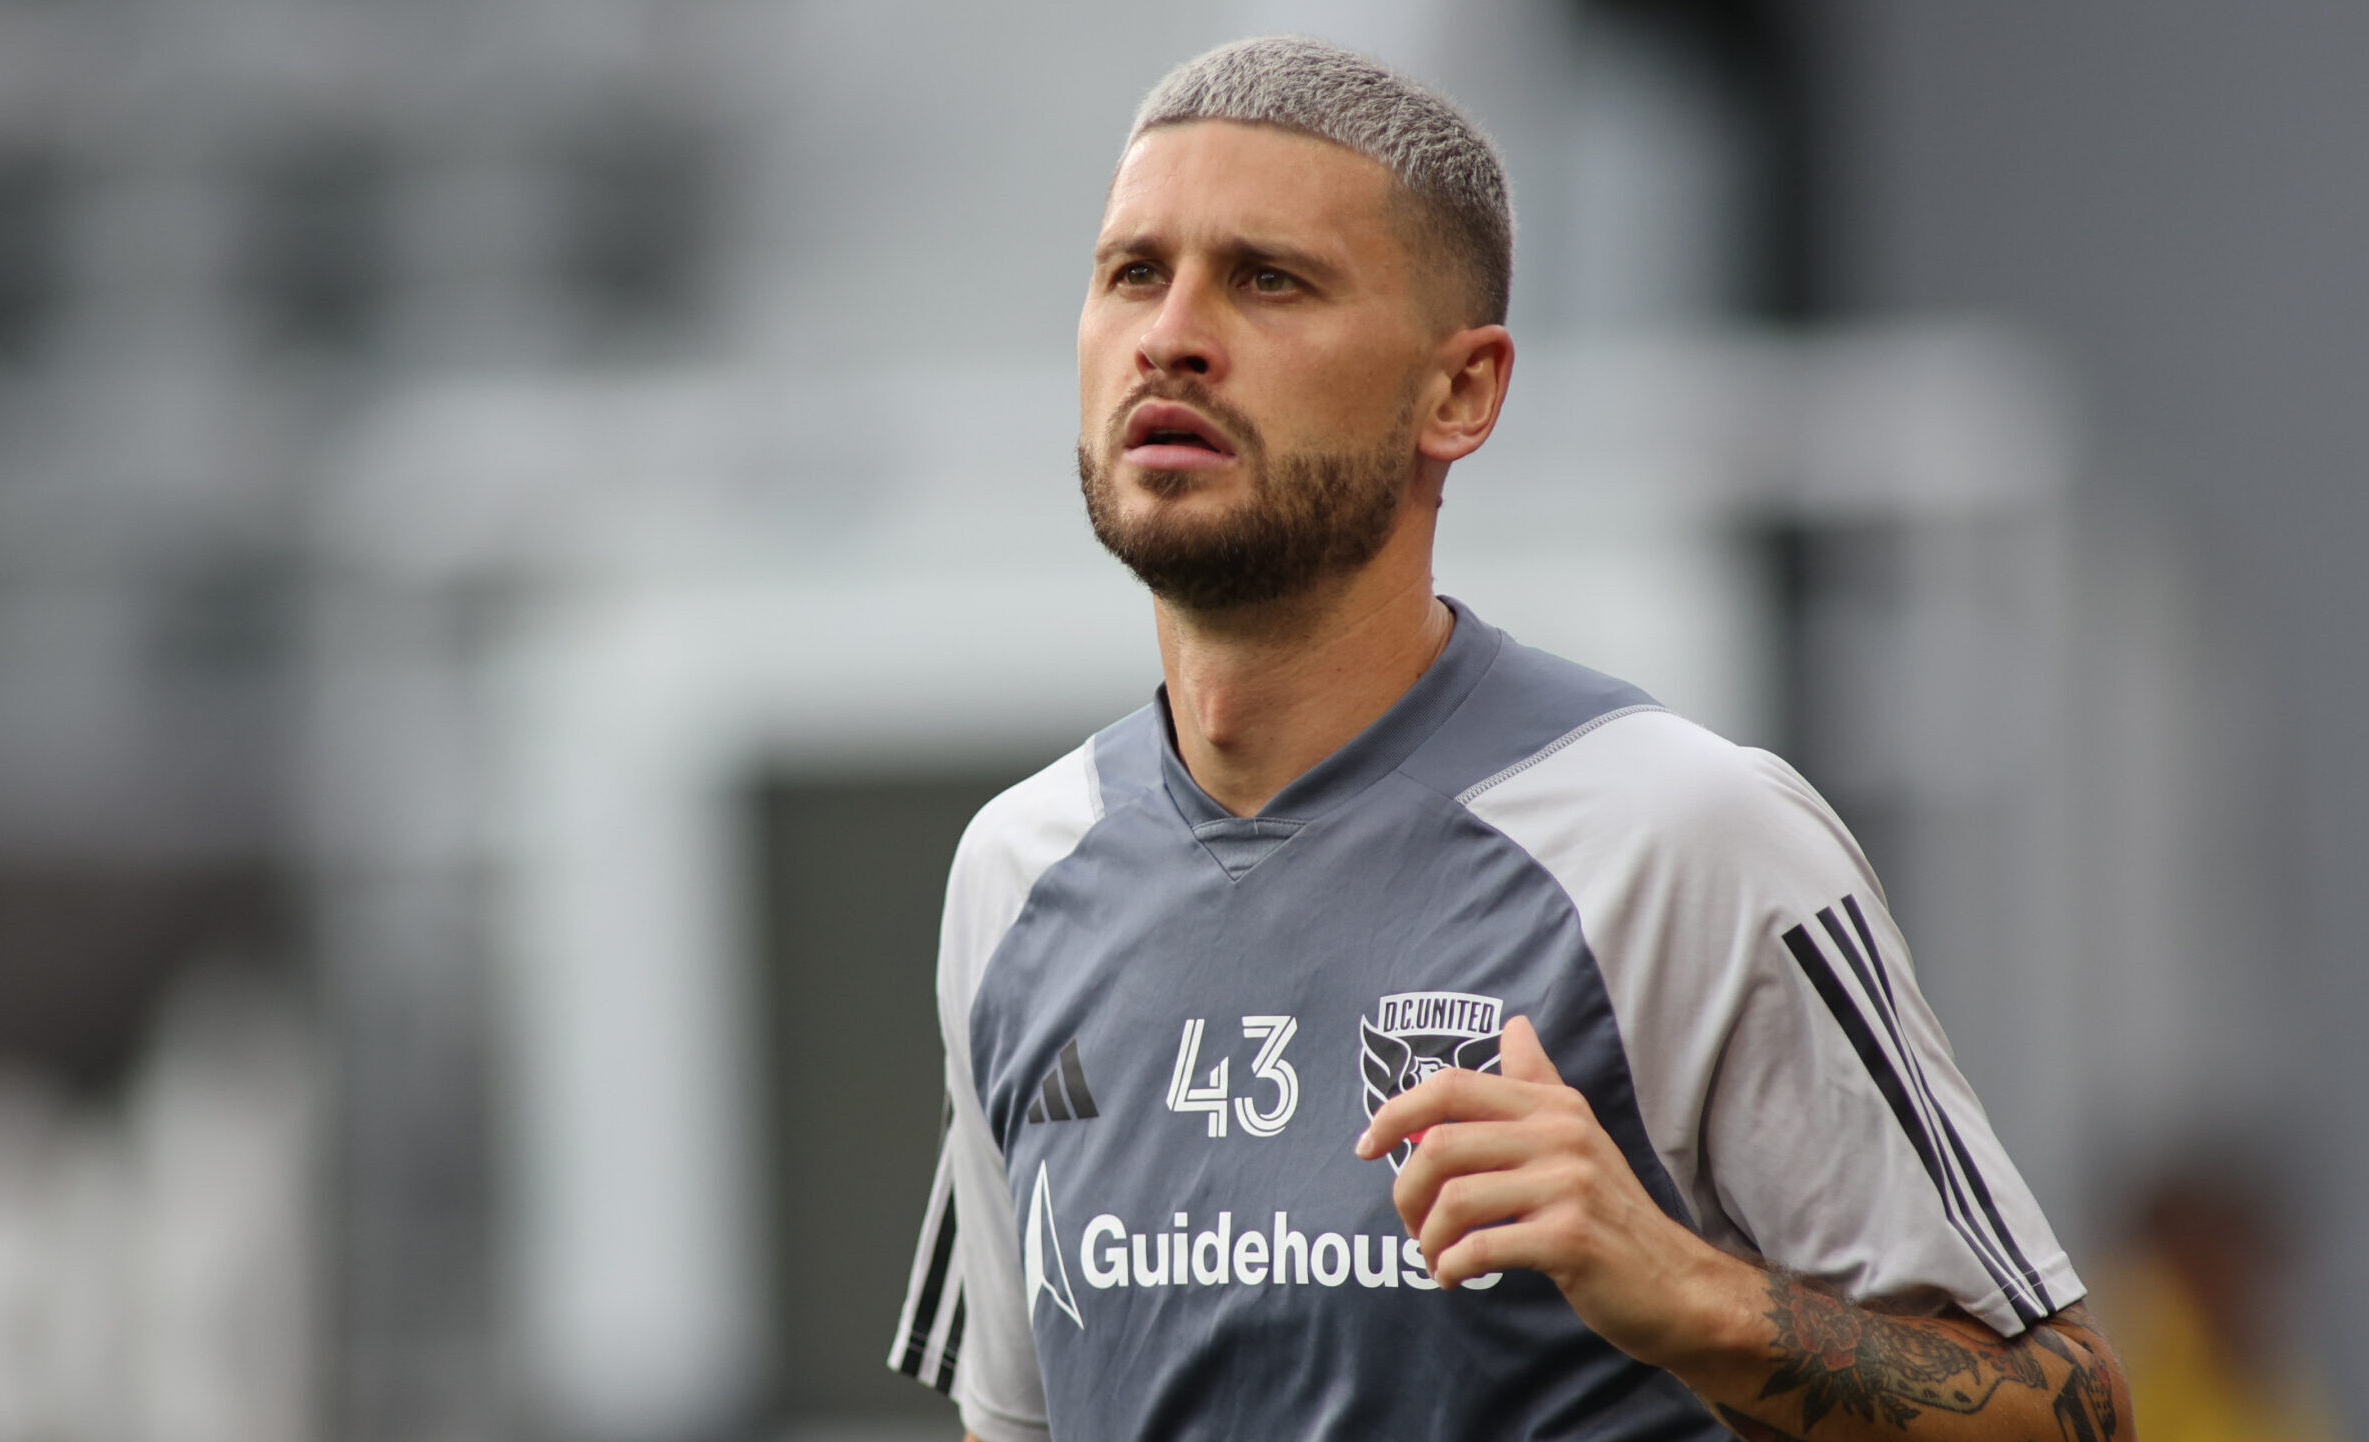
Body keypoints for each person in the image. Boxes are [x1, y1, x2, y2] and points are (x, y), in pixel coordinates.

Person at [889, 35, 2131, 1442]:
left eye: (1267, 278)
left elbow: (2072, 1410)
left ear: (1460, 393)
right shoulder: (1014, 870)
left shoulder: (1688, 836)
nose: (1172, 332)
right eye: (1132, 272)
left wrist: (1684, 1292)